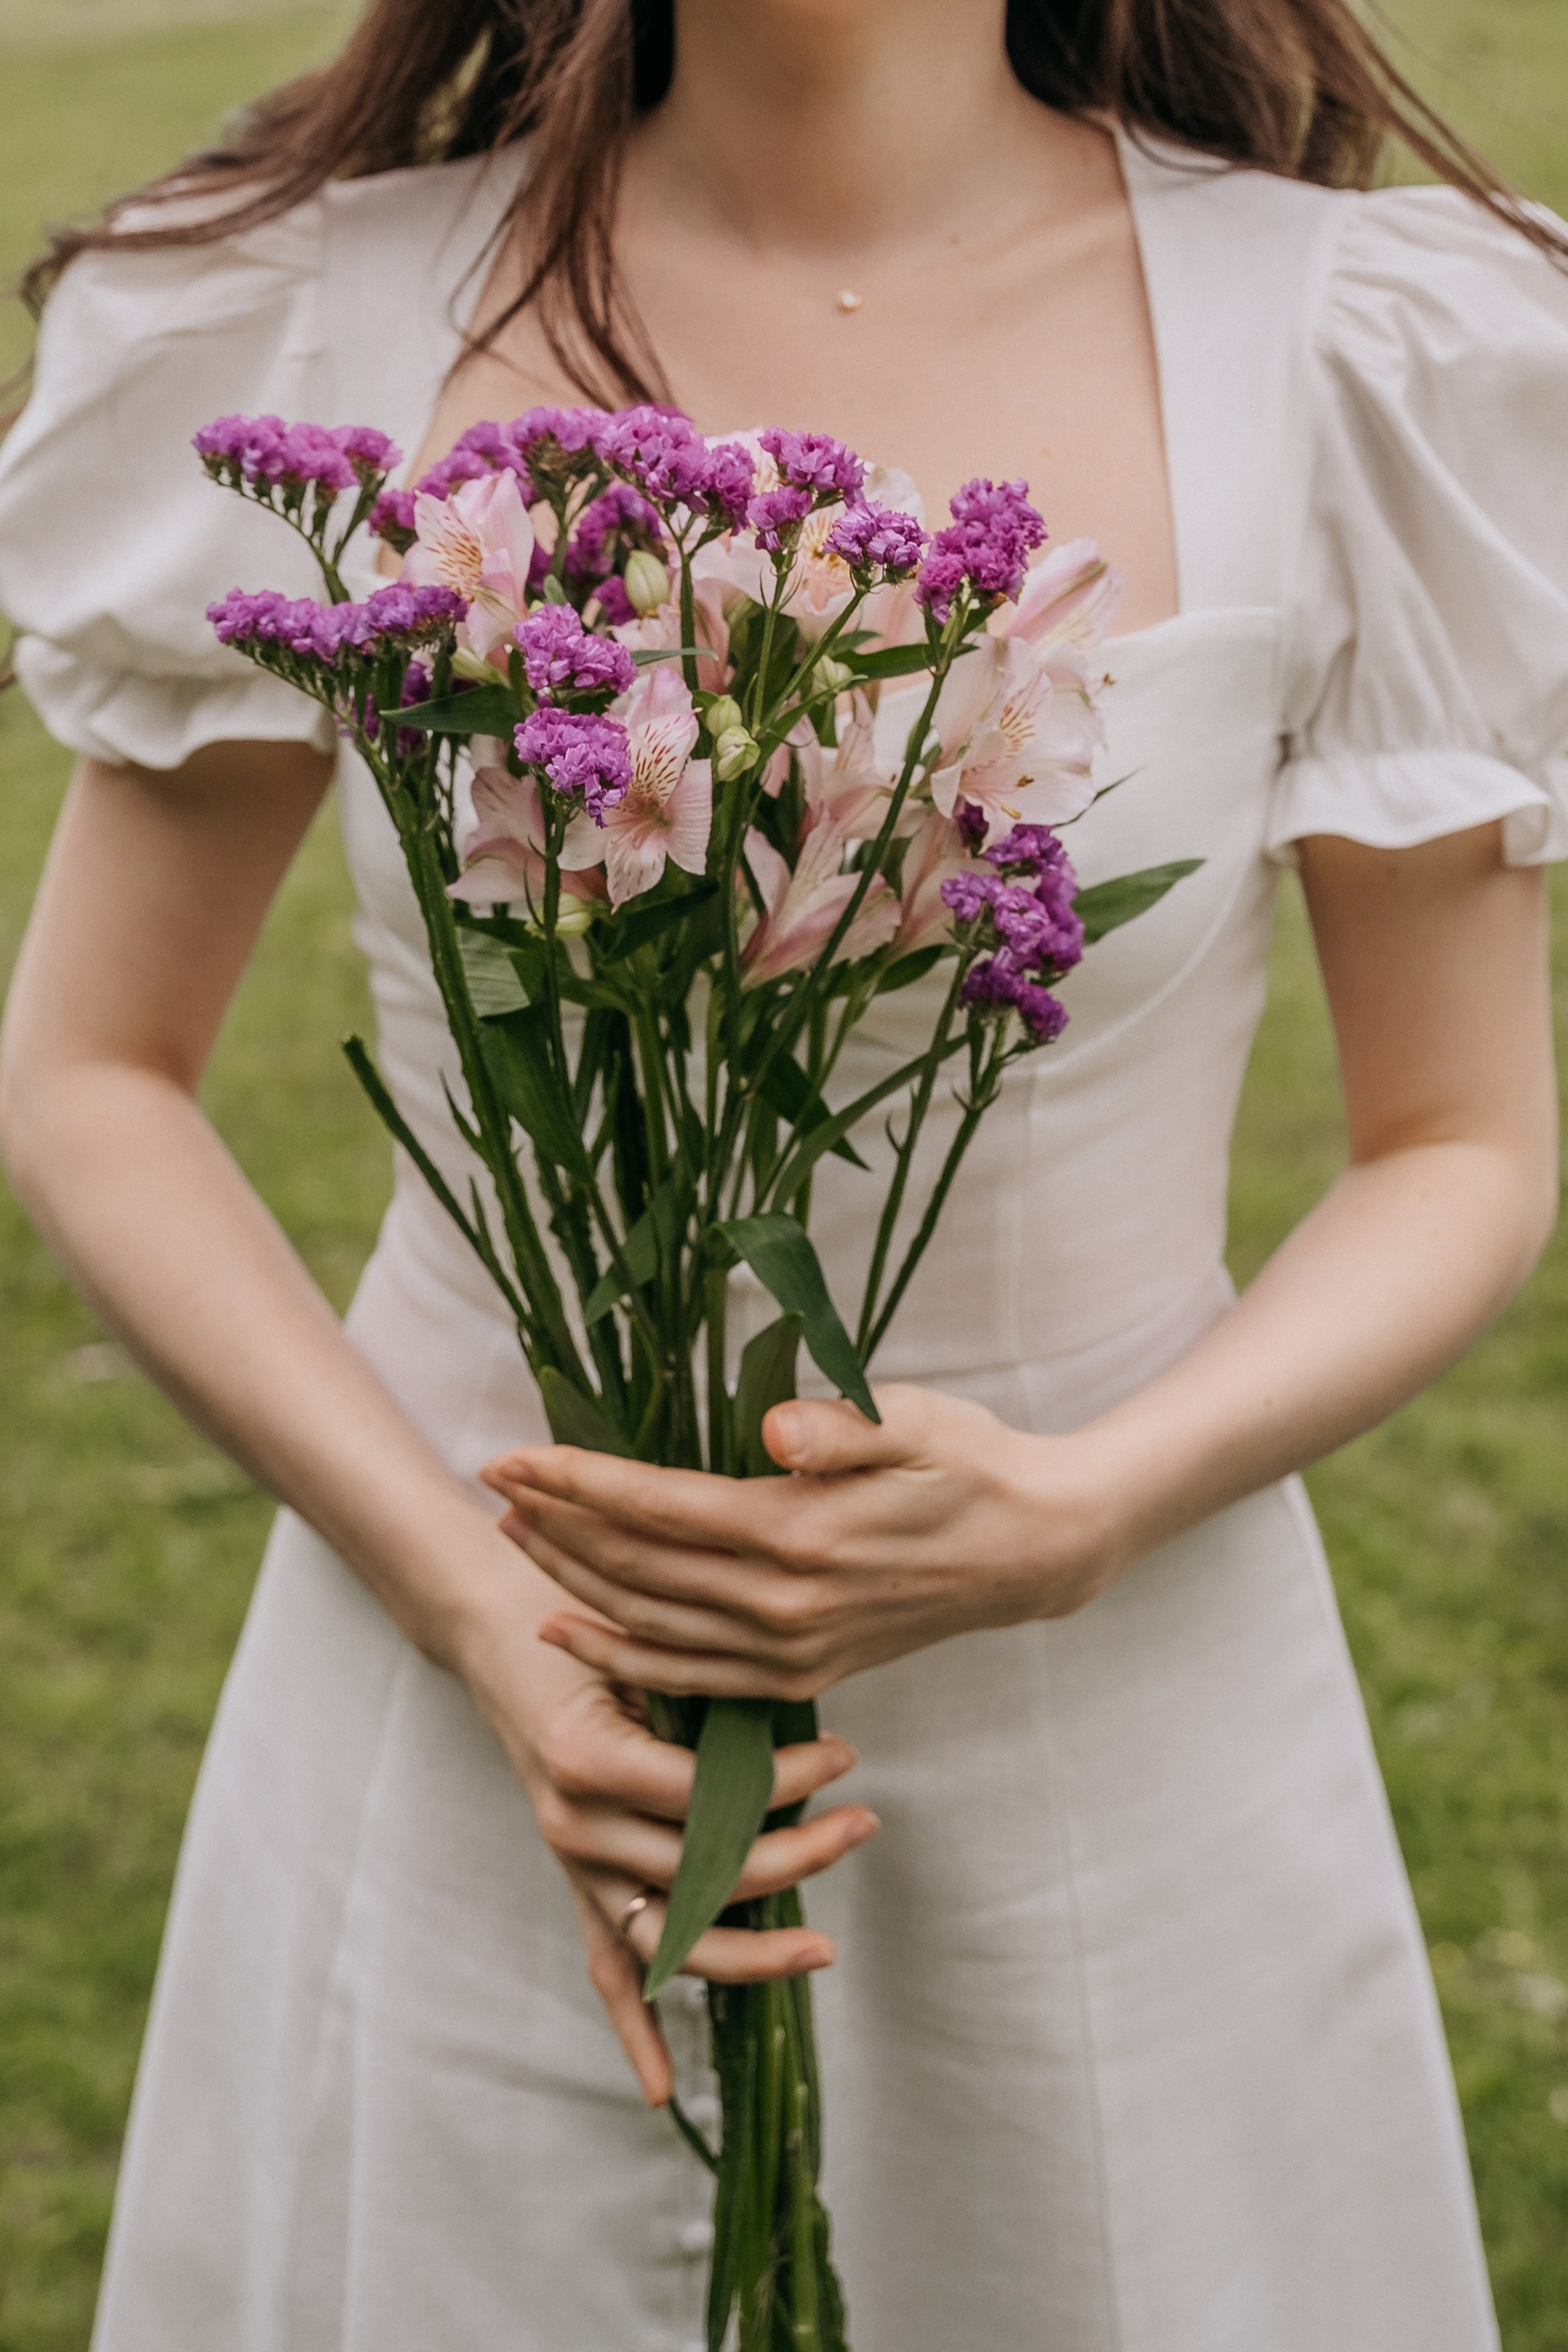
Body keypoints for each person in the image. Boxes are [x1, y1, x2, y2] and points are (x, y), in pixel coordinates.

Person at [0, 1, 1563, 2344]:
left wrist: (1093, 1508)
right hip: (472, 1699)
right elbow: (97, 1069)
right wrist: (465, 1601)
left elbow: (1461, 1144)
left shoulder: (1356, 344)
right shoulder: (304, 313)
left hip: (1119, 1730)